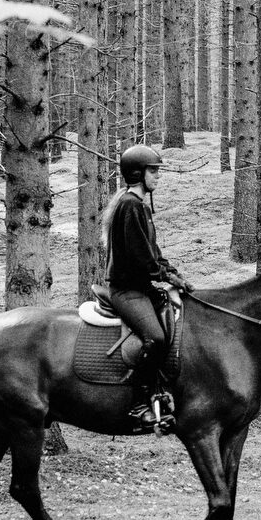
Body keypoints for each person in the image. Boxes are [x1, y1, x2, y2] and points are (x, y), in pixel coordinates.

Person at [101, 144, 190, 424]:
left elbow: (154, 253)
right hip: (126, 291)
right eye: (153, 171)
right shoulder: (130, 205)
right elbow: (142, 258)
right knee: (156, 338)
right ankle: (138, 403)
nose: (158, 176)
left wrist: (175, 275)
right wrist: (165, 277)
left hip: (142, 289)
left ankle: (163, 392)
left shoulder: (139, 206)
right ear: (137, 173)